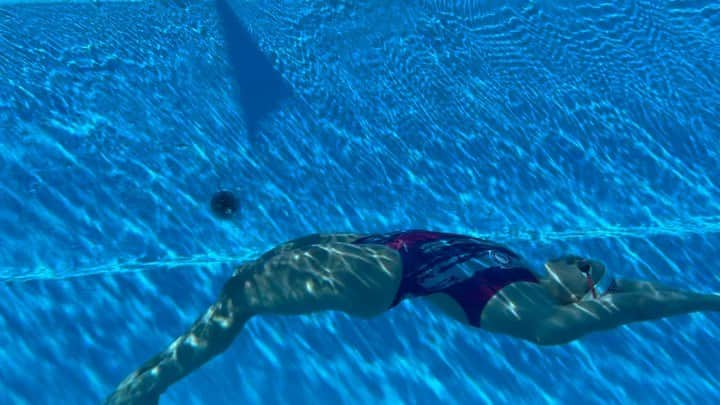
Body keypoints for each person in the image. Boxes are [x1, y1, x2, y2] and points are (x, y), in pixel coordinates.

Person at [106, 230, 720, 404]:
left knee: (235, 302)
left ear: (582, 296)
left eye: (590, 271)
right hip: (363, 247)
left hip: (376, 271)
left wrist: (701, 299)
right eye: (586, 261)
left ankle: (143, 390)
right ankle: (146, 388)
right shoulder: (513, 260)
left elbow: (566, 328)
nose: (583, 261)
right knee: (236, 298)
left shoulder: (529, 302)